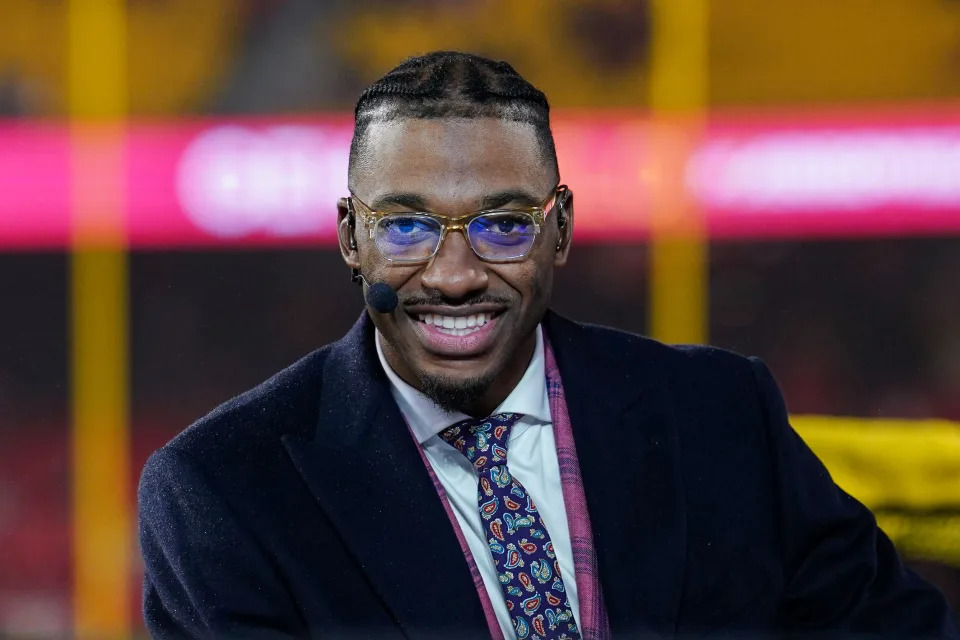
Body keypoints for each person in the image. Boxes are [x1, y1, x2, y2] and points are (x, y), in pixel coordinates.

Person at [138, 51, 959, 640]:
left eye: (502, 224)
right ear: (351, 236)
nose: (454, 275)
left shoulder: (721, 415)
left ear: (560, 229)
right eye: (408, 226)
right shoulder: (221, 492)